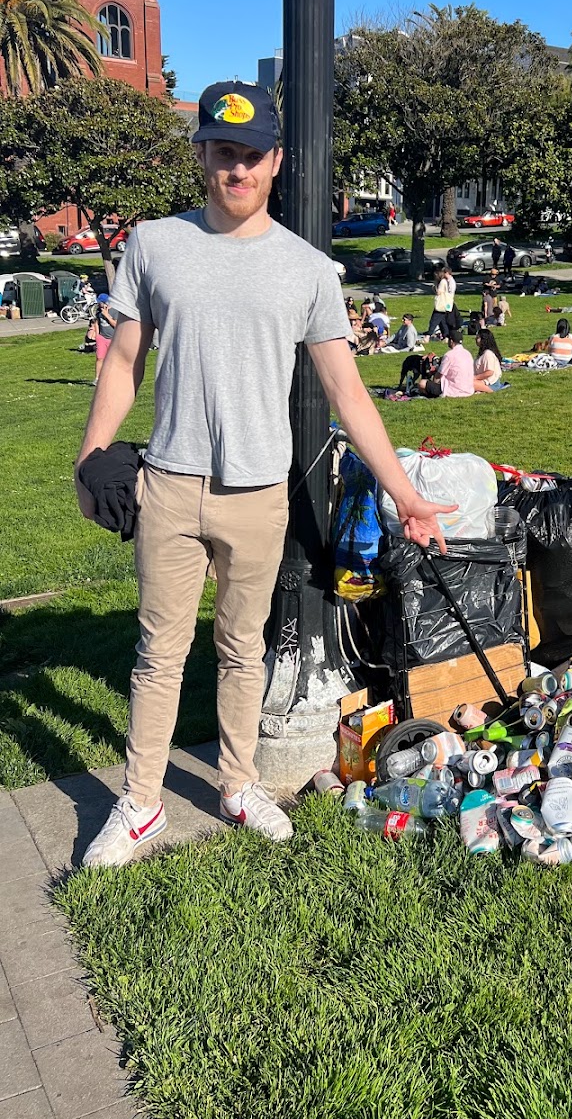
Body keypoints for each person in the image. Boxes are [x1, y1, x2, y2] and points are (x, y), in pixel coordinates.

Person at [75, 80, 450, 869]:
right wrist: (92, 452)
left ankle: (238, 784)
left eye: (250, 156)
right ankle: (141, 804)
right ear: (202, 155)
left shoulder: (308, 269)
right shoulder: (153, 244)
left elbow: (349, 390)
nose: (235, 170)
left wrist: (406, 495)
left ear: (275, 161)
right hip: (169, 484)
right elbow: (125, 361)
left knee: (245, 650)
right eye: (221, 153)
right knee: (158, 653)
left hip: (258, 495)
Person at [93, 294, 118, 386]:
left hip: (113, 339)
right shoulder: (98, 311)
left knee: (112, 360)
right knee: (99, 358)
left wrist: (107, 315)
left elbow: (116, 325)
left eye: (100, 303)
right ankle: (97, 378)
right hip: (102, 338)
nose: (98, 304)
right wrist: (97, 335)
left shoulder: (115, 311)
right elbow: (96, 322)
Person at [428, 267, 457, 340]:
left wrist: (434, 287)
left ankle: (428, 335)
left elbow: (439, 292)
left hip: (443, 303)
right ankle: (446, 335)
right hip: (446, 303)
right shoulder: (447, 281)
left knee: (434, 320)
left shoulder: (443, 282)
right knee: (442, 321)